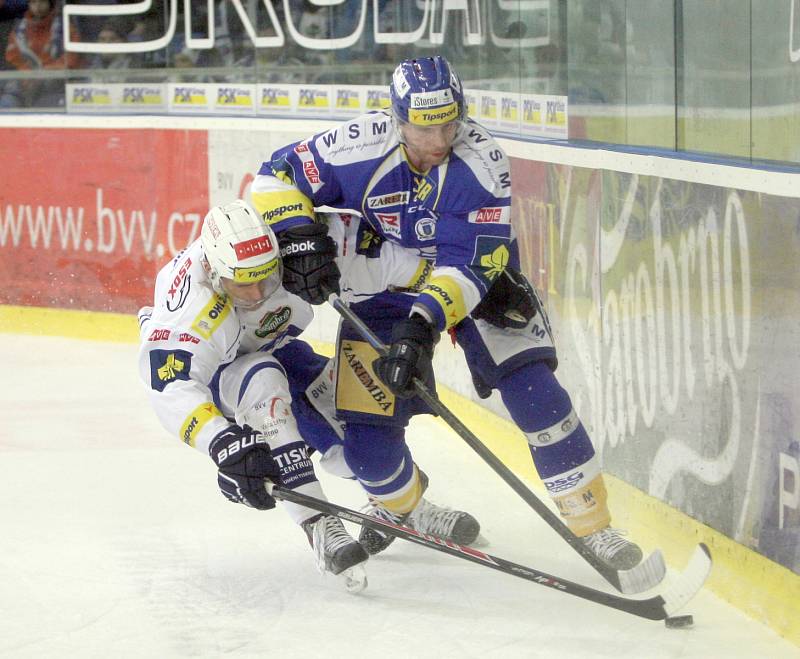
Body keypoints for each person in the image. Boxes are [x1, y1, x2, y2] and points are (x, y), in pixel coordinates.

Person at [249, 55, 643, 570]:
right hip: (386, 281)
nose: (438, 141)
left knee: (535, 393)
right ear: (397, 118)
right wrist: (300, 238)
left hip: (477, 280)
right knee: (369, 449)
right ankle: (407, 509)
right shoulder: (356, 145)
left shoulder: (483, 160)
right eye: (423, 127)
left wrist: (421, 325)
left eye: (448, 124)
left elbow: (468, 264)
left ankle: (595, 530)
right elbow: (272, 178)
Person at [137, 198, 480, 588]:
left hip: (277, 347)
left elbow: (381, 262)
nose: (255, 294)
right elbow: (167, 386)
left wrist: (467, 288)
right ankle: (319, 525)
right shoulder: (192, 309)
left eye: (266, 279)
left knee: (348, 438)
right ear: (216, 276)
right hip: (222, 372)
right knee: (263, 384)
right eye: (241, 285)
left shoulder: (296, 247)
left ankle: (406, 503)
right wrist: (222, 442)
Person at [1, 0, 82, 108]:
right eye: (33, 2)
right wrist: (27, 74)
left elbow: (71, 59)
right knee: (7, 103)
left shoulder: (65, 27)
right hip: (24, 82)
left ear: (50, 4)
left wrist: (44, 73)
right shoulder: (19, 28)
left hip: (55, 85)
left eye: (42, 2)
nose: (37, 6)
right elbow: (12, 56)